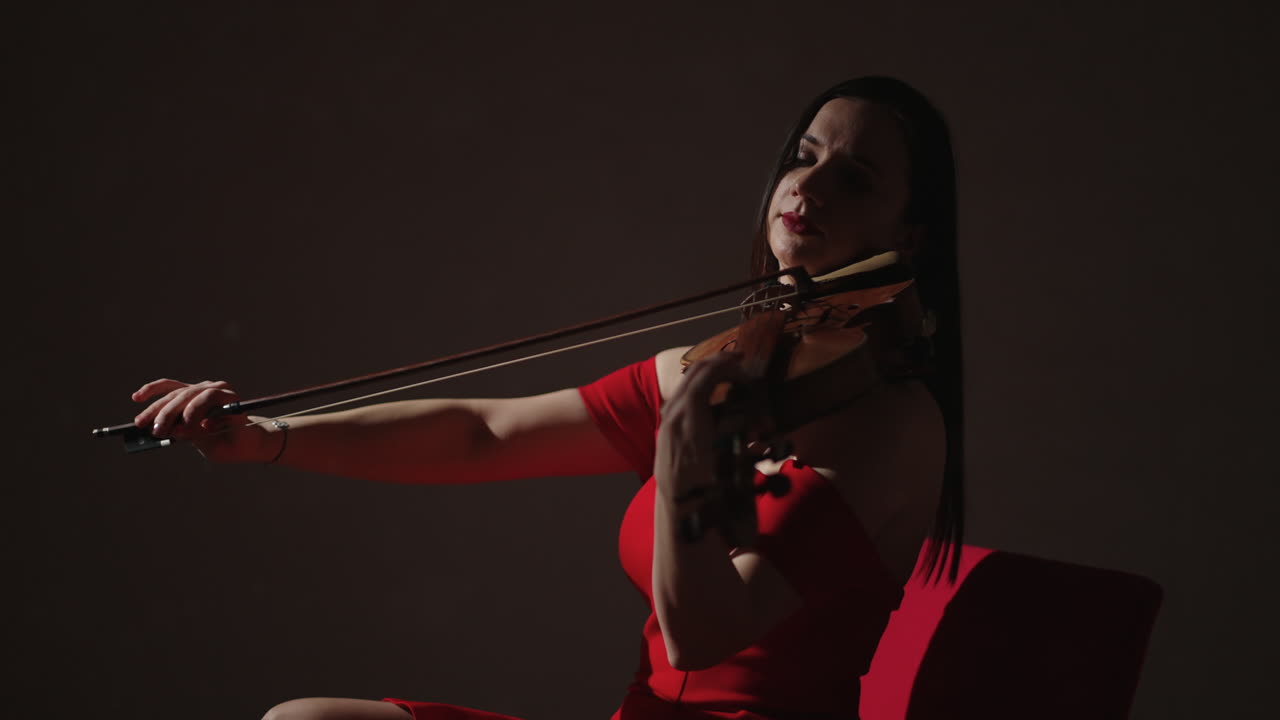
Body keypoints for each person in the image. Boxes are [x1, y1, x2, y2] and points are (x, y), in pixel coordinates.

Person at [130, 75, 964, 720]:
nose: (808, 188)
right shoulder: (725, 366)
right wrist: (267, 436)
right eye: (804, 155)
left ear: (909, 236)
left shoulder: (892, 423)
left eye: (853, 179)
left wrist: (682, 466)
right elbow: (483, 434)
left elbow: (706, 631)